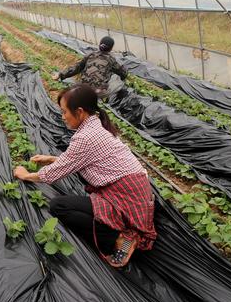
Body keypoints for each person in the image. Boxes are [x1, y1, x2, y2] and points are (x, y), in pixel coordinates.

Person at [13, 84, 156, 267]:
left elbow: (54, 174)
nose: (63, 117)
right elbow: (83, 160)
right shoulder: (96, 126)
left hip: (127, 199)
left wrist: (26, 175)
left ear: (79, 112)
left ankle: (120, 238)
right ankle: (116, 227)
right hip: (134, 192)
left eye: (64, 112)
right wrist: (52, 158)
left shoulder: (86, 137)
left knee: (59, 206)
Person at [52, 36, 127, 98]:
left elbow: (76, 68)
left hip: (82, 88)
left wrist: (60, 74)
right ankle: (118, 95)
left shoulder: (90, 55)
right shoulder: (111, 60)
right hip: (98, 92)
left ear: (99, 45)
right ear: (111, 48)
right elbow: (123, 73)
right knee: (116, 78)